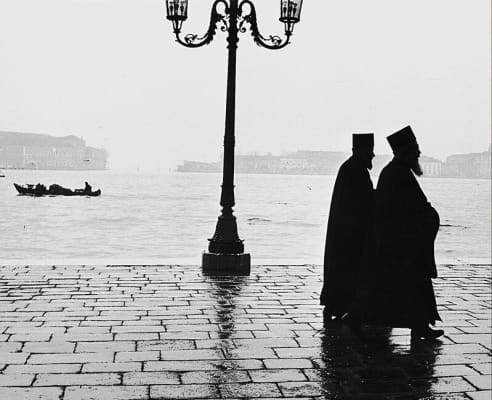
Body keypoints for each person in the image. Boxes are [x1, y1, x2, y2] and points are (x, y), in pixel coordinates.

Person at [361, 126, 443, 341]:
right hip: (401, 245)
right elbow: (408, 209)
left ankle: (420, 326)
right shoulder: (397, 173)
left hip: (402, 242)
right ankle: (419, 327)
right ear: (405, 152)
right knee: (410, 287)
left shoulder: (396, 171)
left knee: (408, 288)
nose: (419, 152)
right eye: (415, 149)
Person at [320, 133, 375, 321]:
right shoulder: (356, 170)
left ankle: (336, 307)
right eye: (370, 151)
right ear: (361, 151)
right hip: (351, 234)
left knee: (341, 272)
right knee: (348, 271)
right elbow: (365, 201)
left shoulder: (350, 168)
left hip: (345, 232)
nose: (372, 155)